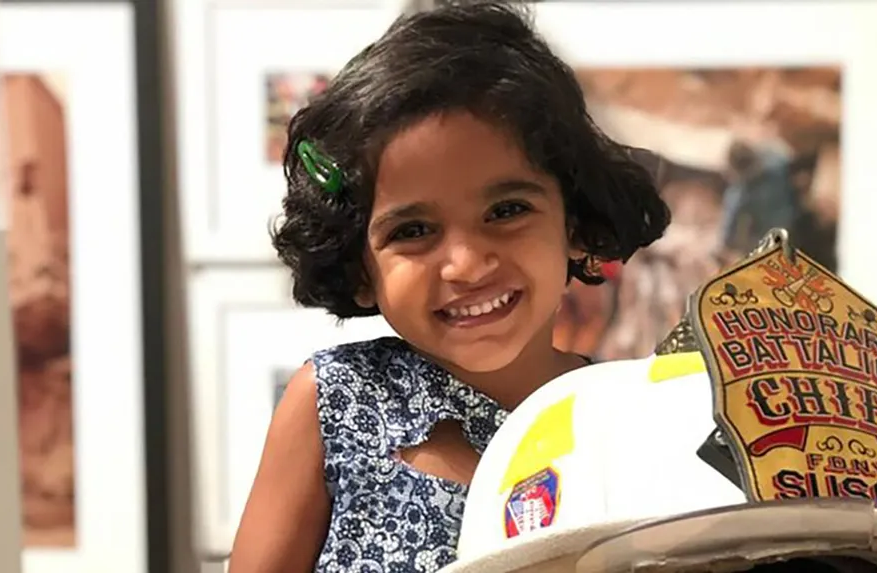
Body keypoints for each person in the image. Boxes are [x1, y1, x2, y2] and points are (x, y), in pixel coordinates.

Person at [227, 3, 672, 572]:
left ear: (576, 224)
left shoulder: (627, 414)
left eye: (506, 210)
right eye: (412, 231)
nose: (465, 264)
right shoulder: (334, 401)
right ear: (360, 266)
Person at [717, 140, 799, 261]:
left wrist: (725, 245)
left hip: (774, 236)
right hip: (795, 217)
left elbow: (728, 233)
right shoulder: (777, 160)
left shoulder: (739, 194)